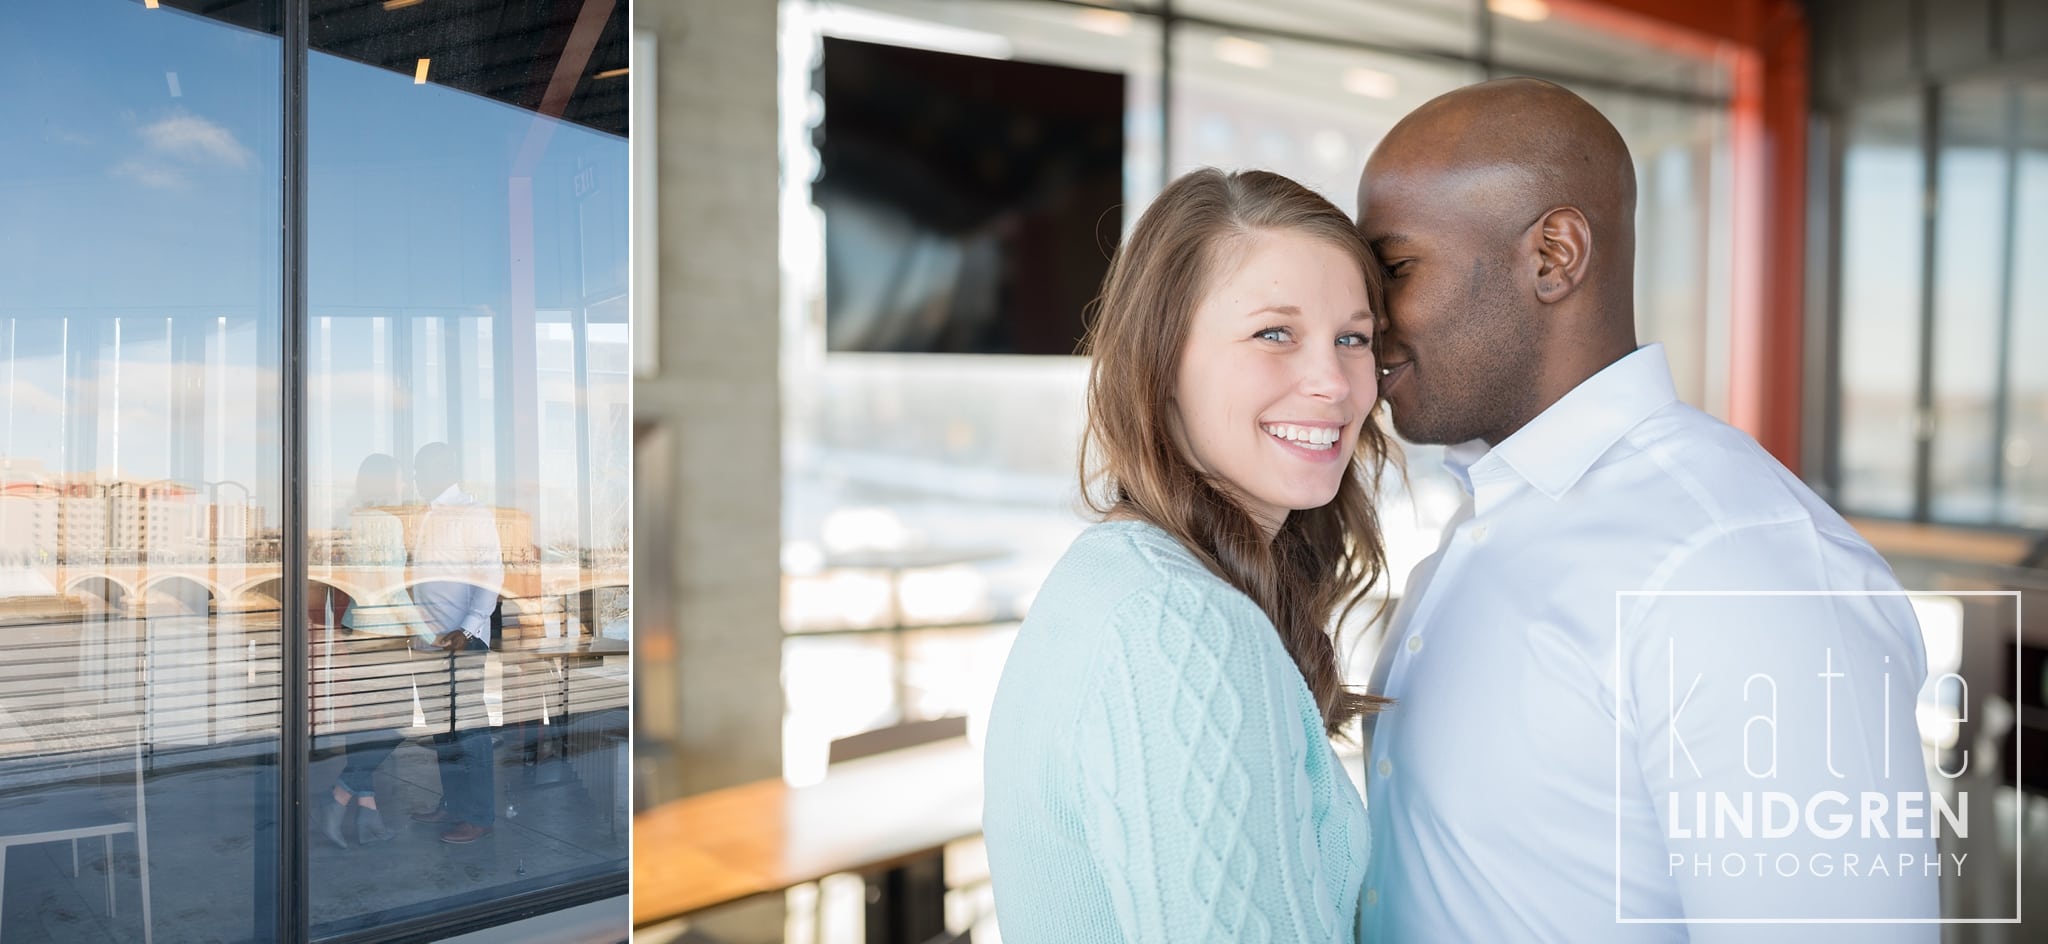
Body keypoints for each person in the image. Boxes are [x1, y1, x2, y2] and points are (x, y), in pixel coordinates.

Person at [1355, 77, 1937, 940]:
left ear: (1554, 254)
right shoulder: (1484, 522)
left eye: (1396, 269)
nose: (1367, 319)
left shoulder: (1739, 573)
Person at [983, 168, 1394, 943]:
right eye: (1275, 333)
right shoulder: (1179, 623)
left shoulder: (1126, 575)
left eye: (1354, 338)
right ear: (1162, 358)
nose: (1333, 382)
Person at [312, 452, 424, 848]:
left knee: (369, 729)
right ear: (386, 484)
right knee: (395, 725)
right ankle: (338, 796)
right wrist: (427, 631)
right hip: (387, 637)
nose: (403, 486)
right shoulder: (389, 524)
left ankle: (368, 813)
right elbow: (392, 589)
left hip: (357, 633)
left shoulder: (351, 522)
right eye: (397, 479)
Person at [404, 441, 505, 845]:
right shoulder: (426, 515)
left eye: (420, 470)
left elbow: (489, 574)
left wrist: (466, 628)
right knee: (443, 732)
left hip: (460, 641)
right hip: (428, 641)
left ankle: (479, 816)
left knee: (469, 731)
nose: (416, 478)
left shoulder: (471, 512)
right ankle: (454, 804)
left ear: (443, 469)